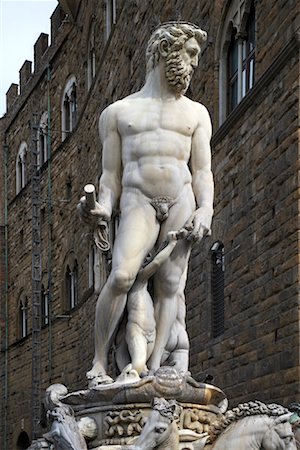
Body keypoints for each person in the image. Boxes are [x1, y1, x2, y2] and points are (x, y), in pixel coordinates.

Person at [79, 22, 214, 385]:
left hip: (182, 199)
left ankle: (152, 368)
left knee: (172, 285)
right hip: (138, 199)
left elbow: (202, 172)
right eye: (190, 54)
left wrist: (206, 209)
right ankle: (98, 363)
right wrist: (102, 208)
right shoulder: (118, 113)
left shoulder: (197, 113)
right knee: (122, 275)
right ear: (166, 51)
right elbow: (110, 177)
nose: (195, 64)